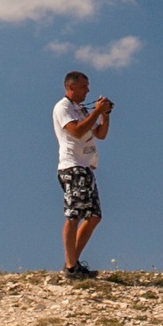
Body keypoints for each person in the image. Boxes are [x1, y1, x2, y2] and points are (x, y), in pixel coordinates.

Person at [52, 71, 111, 279]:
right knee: (74, 214)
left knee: (94, 216)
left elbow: (100, 134)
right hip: (72, 166)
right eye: (84, 87)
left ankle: (72, 263)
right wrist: (96, 112)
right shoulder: (63, 108)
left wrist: (104, 114)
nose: (88, 91)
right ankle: (71, 267)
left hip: (86, 167)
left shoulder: (81, 109)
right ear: (71, 87)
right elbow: (75, 131)